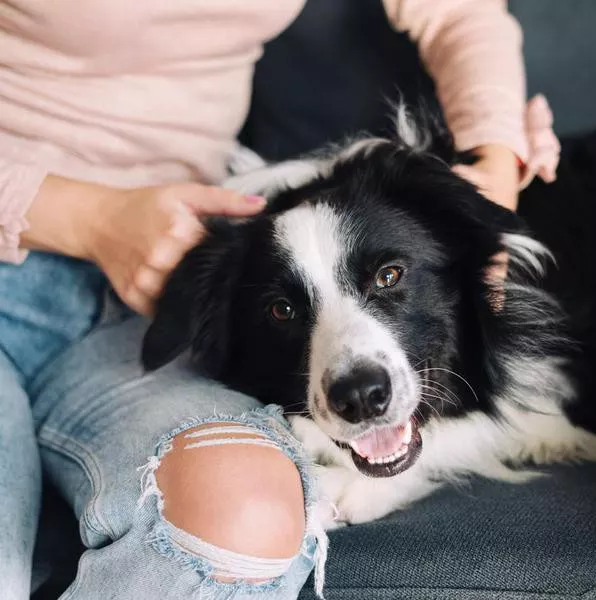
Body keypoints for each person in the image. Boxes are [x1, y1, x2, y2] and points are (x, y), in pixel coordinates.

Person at [0, 1, 560, 598]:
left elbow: (457, 10)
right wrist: (92, 218)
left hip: (154, 300)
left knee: (245, 517)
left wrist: (493, 163)